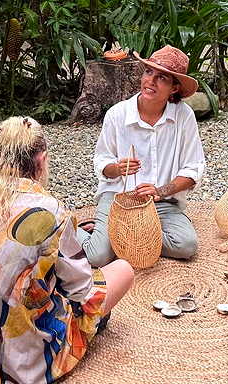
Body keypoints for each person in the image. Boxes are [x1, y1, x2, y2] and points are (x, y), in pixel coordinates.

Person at [0, 117, 134, 384]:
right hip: (22, 363)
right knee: (123, 269)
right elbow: (80, 290)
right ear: (42, 159)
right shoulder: (51, 211)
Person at [78, 45, 206, 267]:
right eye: (148, 72)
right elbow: (101, 161)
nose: (151, 81)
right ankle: (74, 232)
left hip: (162, 202)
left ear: (174, 88)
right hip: (118, 198)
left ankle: (121, 238)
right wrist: (116, 169)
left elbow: (193, 168)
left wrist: (160, 191)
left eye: (162, 78)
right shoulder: (117, 114)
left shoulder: (184, 116)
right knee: (97, 256)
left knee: (186, 245)